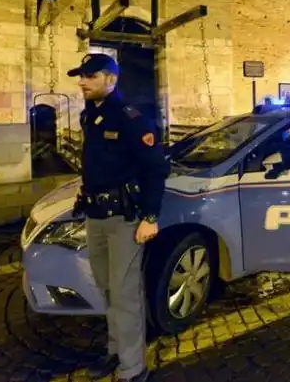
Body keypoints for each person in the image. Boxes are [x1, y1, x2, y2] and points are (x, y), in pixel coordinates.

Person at [67, 53, 169, 382]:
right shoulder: (90, 116)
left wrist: (150, 216)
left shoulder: (131, 118)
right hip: (96, 214)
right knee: (108, 289)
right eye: (81, 75)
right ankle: (115, 350)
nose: (82, 81)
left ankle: (133, 368)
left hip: (124, 218)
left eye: (90, 76)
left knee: (125, 295)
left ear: (111, 80)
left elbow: (155, 168)